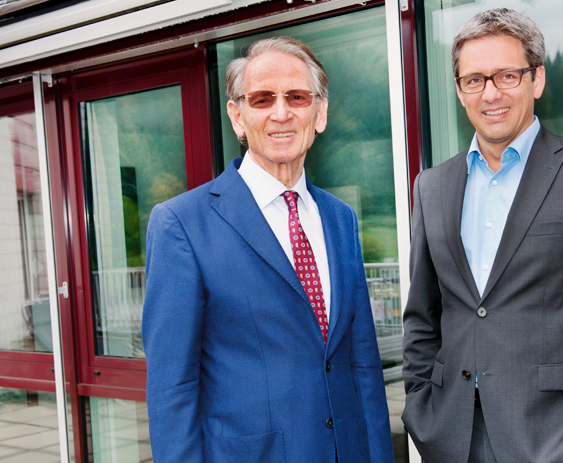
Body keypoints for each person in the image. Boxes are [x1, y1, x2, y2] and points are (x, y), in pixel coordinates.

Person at [402, 8, 563, 463]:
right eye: (474, 80)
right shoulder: (431, 186)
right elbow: (423, 316)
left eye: (507, 75)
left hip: (562, 438)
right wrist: (420, 406)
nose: (491, 94)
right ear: (460, 90)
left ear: (536, 79)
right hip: (453, 437)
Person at [142, 36, 394, 463]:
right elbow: (172, 388)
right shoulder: (181, 224)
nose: (281, 113)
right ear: (237, 117)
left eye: (297, 97)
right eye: (262, 99)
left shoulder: (341, 219)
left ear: (320, 113)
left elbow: (362, 364)